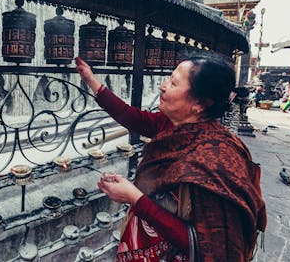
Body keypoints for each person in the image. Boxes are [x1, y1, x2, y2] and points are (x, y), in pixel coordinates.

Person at [75, 55, 266, 262]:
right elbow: (130, 116)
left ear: (199, 104)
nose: (162, 87)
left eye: (174, 83)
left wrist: (134, 198)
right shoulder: (173, 125)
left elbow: (209, 248)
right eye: (168, 78)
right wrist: (91, 80)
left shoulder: (214, 161)